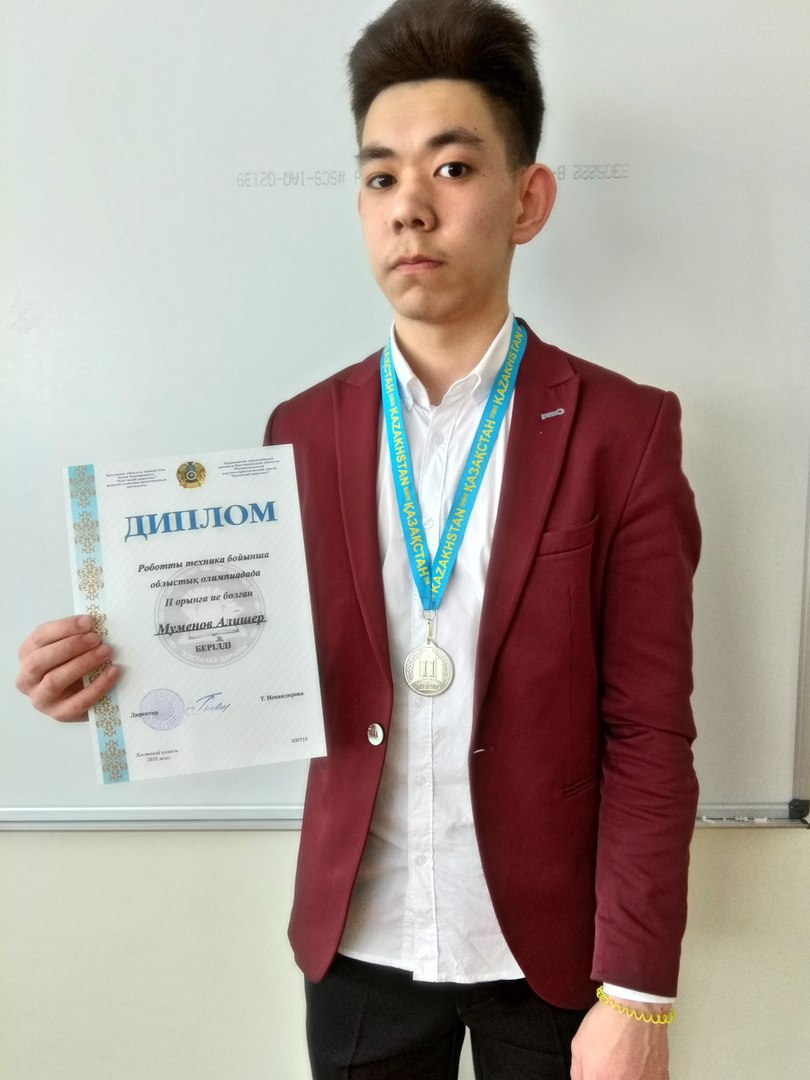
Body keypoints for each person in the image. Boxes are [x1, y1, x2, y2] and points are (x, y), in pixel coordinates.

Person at [16, 1, 701, 1077]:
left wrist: (641, 997)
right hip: (358, 949)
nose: (410, 207)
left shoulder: (626, 430)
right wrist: (115, 673)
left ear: (529, 200)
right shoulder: (300, 431)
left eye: (452, 169)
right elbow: (266, 665)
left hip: (558, 956)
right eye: (381, 177)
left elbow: (651, 732)